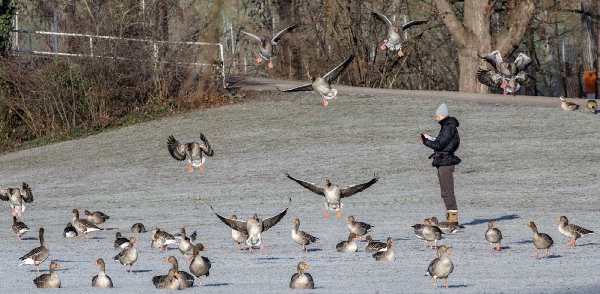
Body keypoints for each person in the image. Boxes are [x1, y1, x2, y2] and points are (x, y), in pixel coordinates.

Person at [420, 103, 461, 225]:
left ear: (443, 115)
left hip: (445, 162)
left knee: (447, 190)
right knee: (445, 190)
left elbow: (440, 145)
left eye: (438, 116)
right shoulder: (447, 127)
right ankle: (451, 216)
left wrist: (425, 141)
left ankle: (453, 219)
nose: (436, 119)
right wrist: (430, 140)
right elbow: (441, 143)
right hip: (443, 160)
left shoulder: (448, 127)